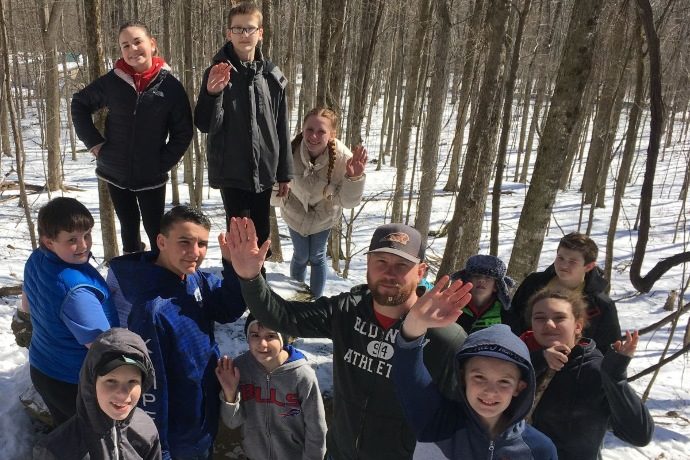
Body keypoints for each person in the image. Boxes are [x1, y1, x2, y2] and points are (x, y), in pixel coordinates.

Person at [225, 217, 468, 460]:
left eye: (402, 265)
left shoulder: (443, 336)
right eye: (381, 261)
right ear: (368, 264)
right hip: (340, 453)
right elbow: (284, 317)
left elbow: (460, 418)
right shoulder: (347, 311)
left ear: (421, 271)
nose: (389, 273)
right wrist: (250, 278)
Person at [107, 206, 246, 459]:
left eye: (202, 244)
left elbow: (229, 310)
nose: (195, 253)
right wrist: (160, 449)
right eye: (185, 242)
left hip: (203, 418)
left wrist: (233, 266)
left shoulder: (193, 279)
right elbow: (150, 387)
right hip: (176, 438)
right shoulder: (151, 309)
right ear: (161, 241)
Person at [71, 21, 193, 254]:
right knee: (128, 227)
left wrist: (161, 163)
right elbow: (79, 103)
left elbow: (183, 132)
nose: (132, 49)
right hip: (114, 171)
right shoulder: (113, 81)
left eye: (138, 42)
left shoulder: (170, 87)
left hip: (151, 176)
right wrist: (94, 143)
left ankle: (160, 275)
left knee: (156, 230)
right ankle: (132, 274)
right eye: (125, 45)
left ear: (152, 44)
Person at [392, 304, 557, 460]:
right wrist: (415, 323)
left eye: (504, 382)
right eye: (479, 377)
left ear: (519, 387)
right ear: (463, 377)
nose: (490, 391)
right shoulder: (435, 419)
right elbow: (407, 373)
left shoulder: (539, 448)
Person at [194, 1, 292, 256]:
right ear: (229, 33)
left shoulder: (271, 76)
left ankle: (258, 291)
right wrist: (212, 93)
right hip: (232, 171)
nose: (244, 35)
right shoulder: (217, 72)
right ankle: (234, 290)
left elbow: (281, 125)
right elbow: (205, 124)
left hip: (265, 171)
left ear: (261, 33)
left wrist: (285, 172)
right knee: (238, 239)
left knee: (261, 239)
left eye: (250, 29)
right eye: (238, 29)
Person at [521, 289, 654, 460]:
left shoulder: (593, 370)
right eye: (539, 318)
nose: (549, 324)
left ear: (578, 326)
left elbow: (639, 435)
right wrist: (540, 360)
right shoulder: (517, 358)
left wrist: (615, 378)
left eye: (559, 318)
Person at [23, 197, 119, 427]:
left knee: (68, 433)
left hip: (43, 367)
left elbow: (27, 306)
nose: (84, 245)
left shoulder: (36, 259)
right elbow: (102, 348)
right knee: (94, 440)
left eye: (87, 234)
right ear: (49, 242)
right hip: (73, 382)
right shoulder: (76, 291)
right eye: (72, 240)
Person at [271, 107, 366, 297]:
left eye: (321, 131)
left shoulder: (344, 158)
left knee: (316, 256)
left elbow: (346, 202)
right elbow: (274, 192)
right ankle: (297, 298)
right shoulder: (289, 152)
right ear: (302, 129)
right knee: (300, 256)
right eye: (309, 129)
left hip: (324, 215)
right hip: (295, 213)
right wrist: (277, 190)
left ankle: (314, 302)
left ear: (332, 134)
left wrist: (354, 179)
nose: (314, 136)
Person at [33, 328, 161, 460]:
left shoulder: (146, 428)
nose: (123, 394)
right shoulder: (57, 449)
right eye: (111, 381)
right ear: (91, 383)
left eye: (132, 381)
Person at [215, 314, 327, 459]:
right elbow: (232, 422)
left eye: (270, 336)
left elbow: (317, 429)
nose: (262, 343)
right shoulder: (239, 369)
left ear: (284, 339)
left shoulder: (301, 375)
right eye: (255, 335)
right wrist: (230, 394)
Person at [509, 232, 621, 354]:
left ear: (588, 267)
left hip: (573, 366)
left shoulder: (600, 305)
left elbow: (608, 349)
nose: (563, 265)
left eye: (572, 261)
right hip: (524, 356)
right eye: (560, 258)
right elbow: (512, 319)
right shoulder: (534, 283)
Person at [450, 254, 515, 334]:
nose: (481, 280)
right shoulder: (452, 305)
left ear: (496, 286)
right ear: (468, 280)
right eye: (476, 276)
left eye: (488, 277)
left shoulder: (505, 313)